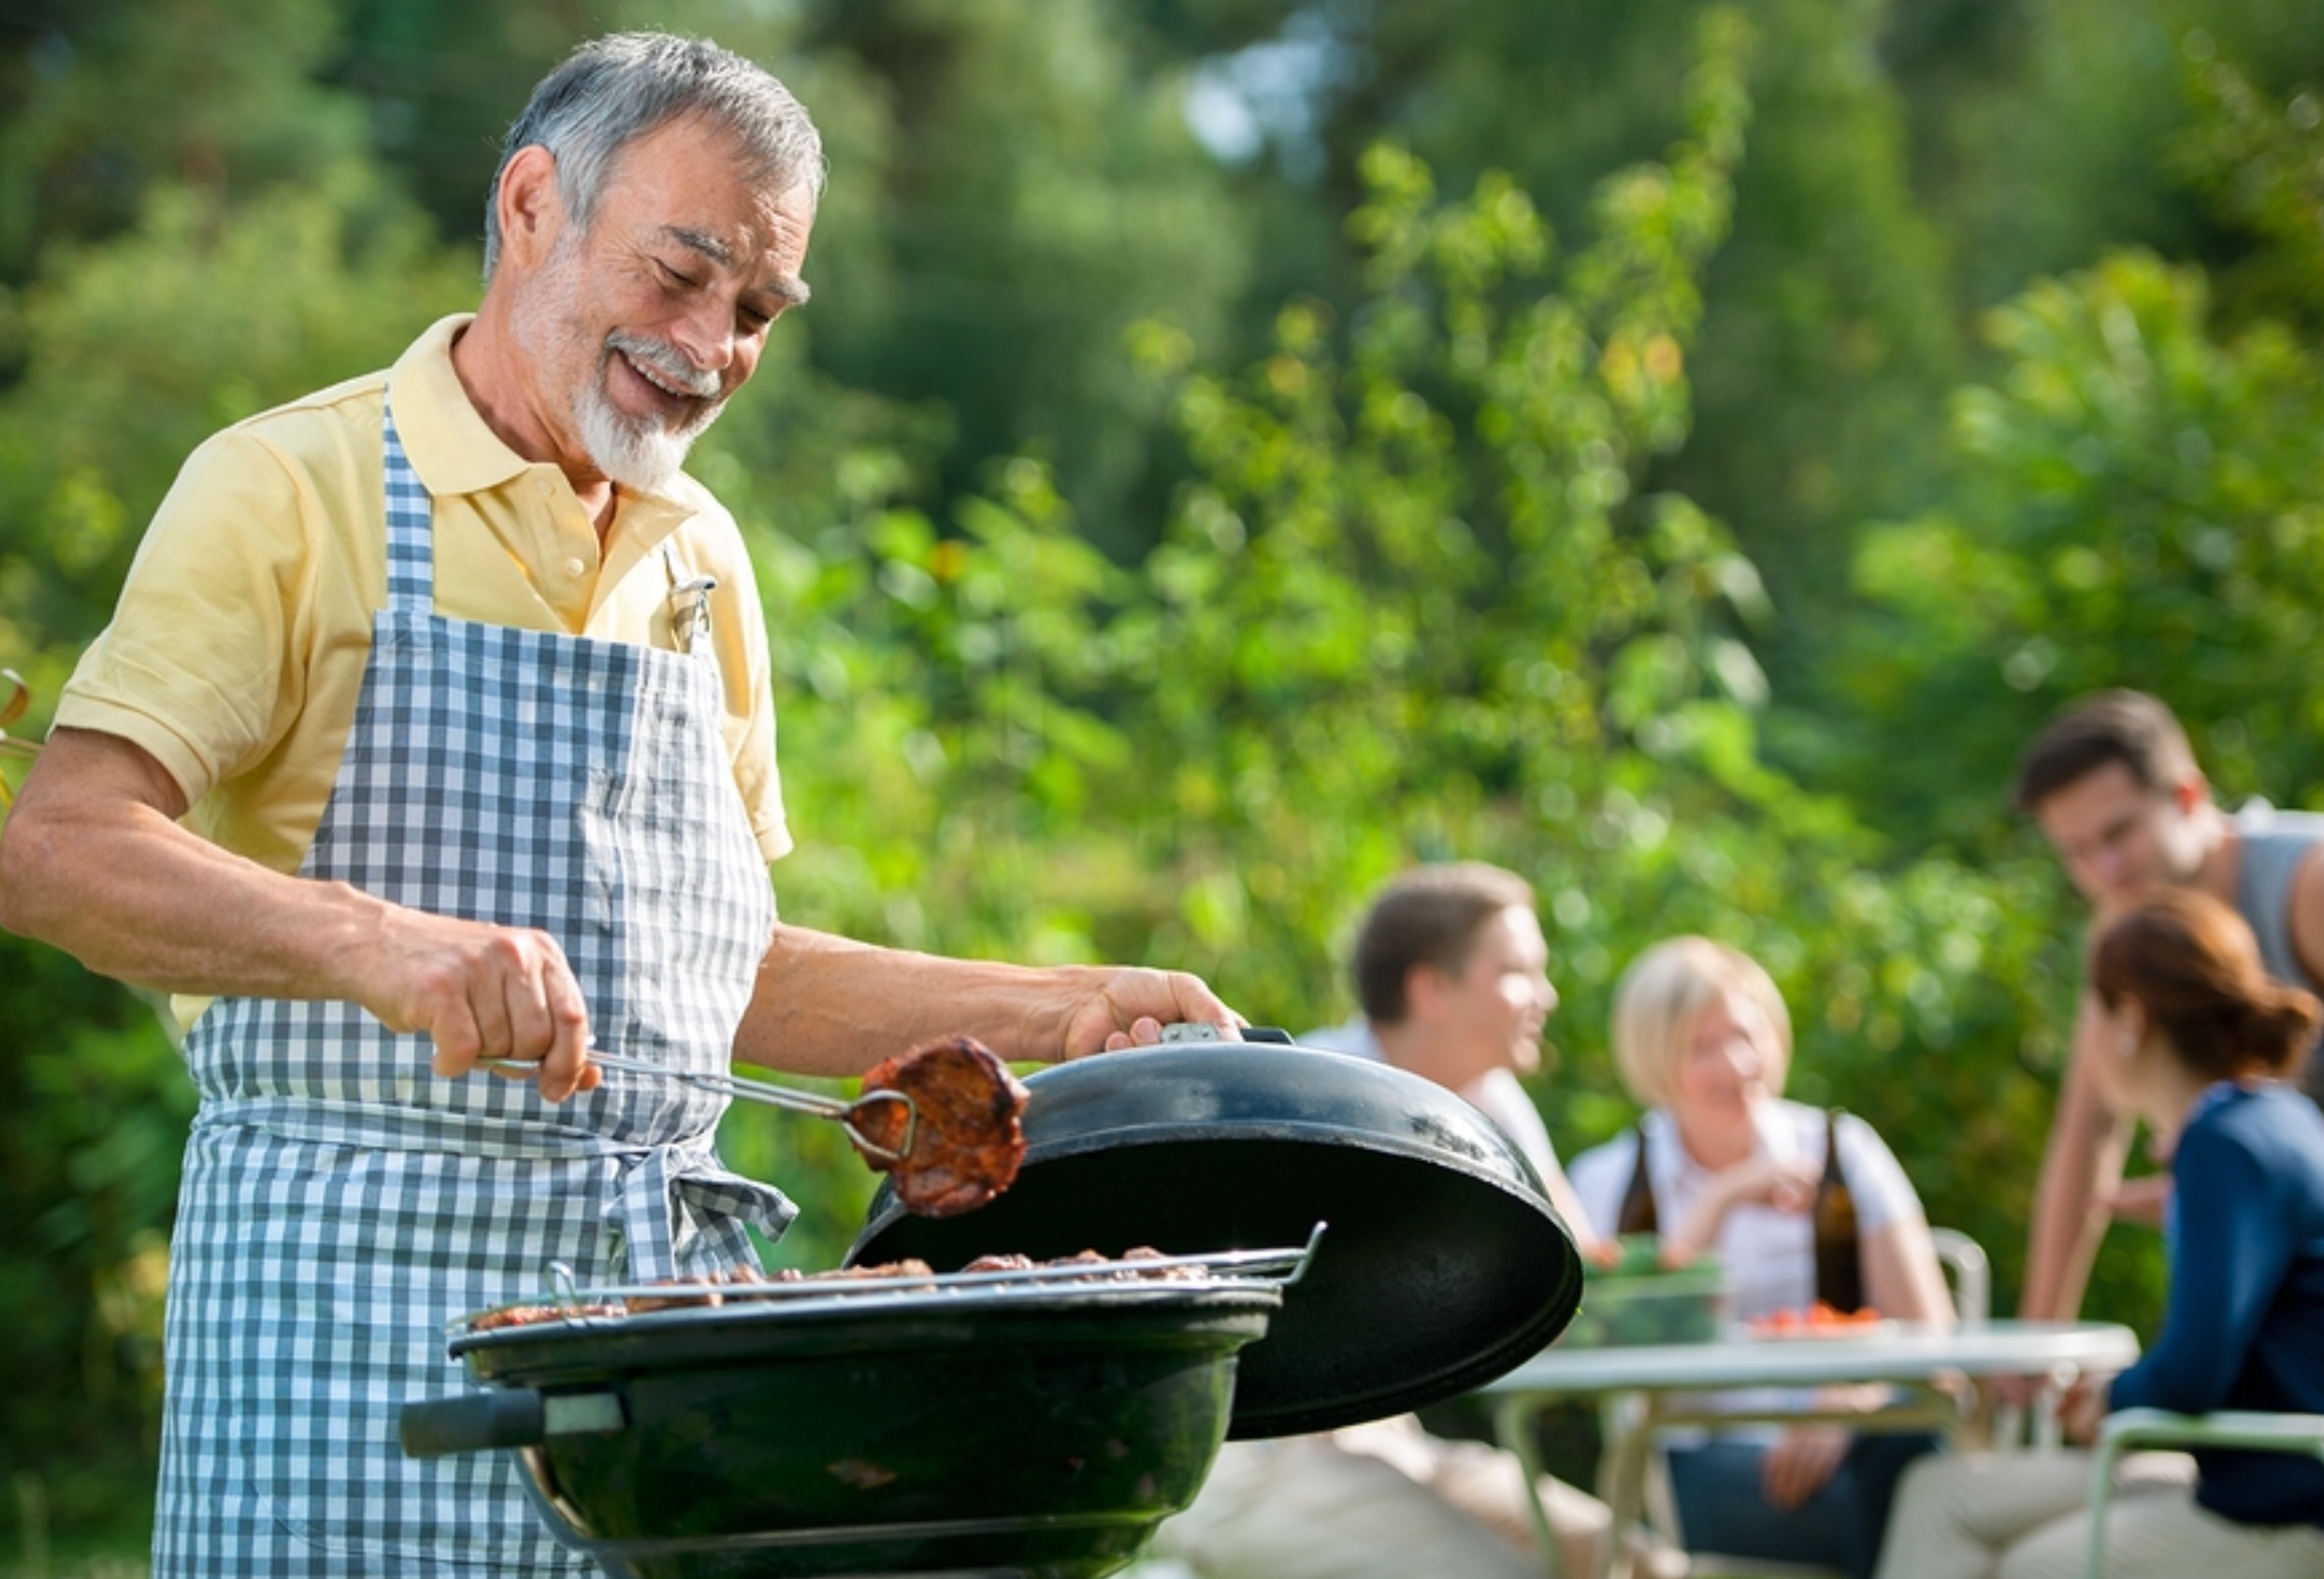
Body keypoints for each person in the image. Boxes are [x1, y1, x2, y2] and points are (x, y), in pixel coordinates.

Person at [0, 34, 1237, 1579]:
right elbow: (53, 852)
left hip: (672, 1388)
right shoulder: (288, 491)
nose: (712, 344)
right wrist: (380, 943)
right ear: (532, 208)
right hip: (348, 1354)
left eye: (759, 310)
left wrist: (1058, 1006)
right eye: (682, 275)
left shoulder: (703, 555)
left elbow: (722, 977)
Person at [1148, 862, 1614, 1579]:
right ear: (1430, 988)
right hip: (1257, 1459)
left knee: (1623, 1558)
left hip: (1386, 1441)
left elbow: (1581, 1271)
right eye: (1518, 971)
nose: (1545, 995)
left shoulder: (1491, 1100)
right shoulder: (1312, 1098)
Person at [1872, 888, 2324, 1579]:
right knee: (1940, 1495)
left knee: (2026, 1565)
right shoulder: (2270, 1120)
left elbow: (2191, 1373)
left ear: (2128, 1019)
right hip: (2251, 1477)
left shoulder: (2222, 1142)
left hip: (2282, 1510)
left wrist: (2109, 1398)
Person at [1566, 936, 1955, 1579]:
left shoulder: (1841, 1150)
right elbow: (1620, 1340)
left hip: (1853, 1441)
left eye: (1747, 1036)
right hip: (1703, 1456)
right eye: (1702, 1046)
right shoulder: (1609, 1179)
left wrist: (1845, 1408)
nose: (1737, 1063)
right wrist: (1724, 1197)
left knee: (1904, 1460)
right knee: (1917, 1514)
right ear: (1654, 1058)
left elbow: (1930, 1339)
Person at [2012, 690, 2324, 1328]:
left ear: (2186, 796)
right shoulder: (2126, 930)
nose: (2105, 869)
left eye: (2118, 832)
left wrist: (2261, 1188)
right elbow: (2087, 1129)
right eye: (2075, 851)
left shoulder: (2307, 885)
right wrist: (2039, 1343)